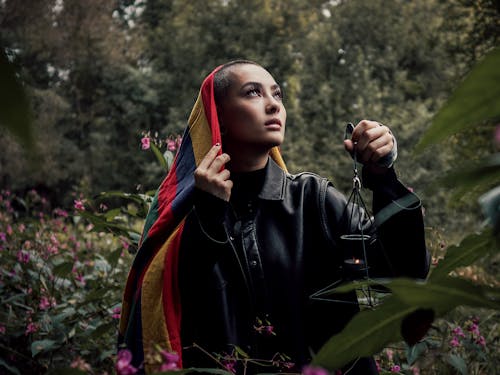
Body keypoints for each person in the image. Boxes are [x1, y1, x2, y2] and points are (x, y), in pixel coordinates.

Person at [118, 60, 429, 374]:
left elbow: (402, 277)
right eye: (253, 93)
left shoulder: (315, 200)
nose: (273, 105)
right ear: (219, 117)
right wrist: (209, 217)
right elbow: (175, 312)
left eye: (277, 96)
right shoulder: (190, 220)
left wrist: (384, 178)